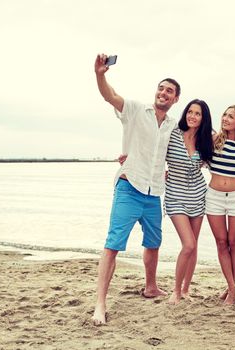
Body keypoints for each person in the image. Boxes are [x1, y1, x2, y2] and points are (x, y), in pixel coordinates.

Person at [91, 53, 180, 325]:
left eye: (170, 91)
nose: (164, 93)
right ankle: (100, 303)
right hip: (130, 187)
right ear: (156, 92)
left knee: (153, 243)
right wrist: (100, 74)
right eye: (161, 88)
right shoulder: (134, 109)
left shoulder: (173, 125)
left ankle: (150, 286)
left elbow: (188, 147)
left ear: (175, 99)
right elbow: (110, 96)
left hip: (154, 193)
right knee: (113, 245)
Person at [165, 99, 214, 304]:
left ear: (203, 118)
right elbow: (153, 151)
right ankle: (175, 291)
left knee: (193, 246)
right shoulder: (172, 133)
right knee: (188, 244)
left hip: (198, 195)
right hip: (175, 195)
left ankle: (186, 289)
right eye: (190, 112)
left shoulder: (207, 140)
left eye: (198, 114)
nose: (192, 116)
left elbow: (219, 167)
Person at [206, 105, 235, 305]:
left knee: (234, 242)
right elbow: (199, 161)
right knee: (221, 243)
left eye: (230, 116)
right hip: (214, 196)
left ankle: (231, 287)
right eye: (224, 114)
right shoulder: (214, 139)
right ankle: (232, 289)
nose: (225, 118)